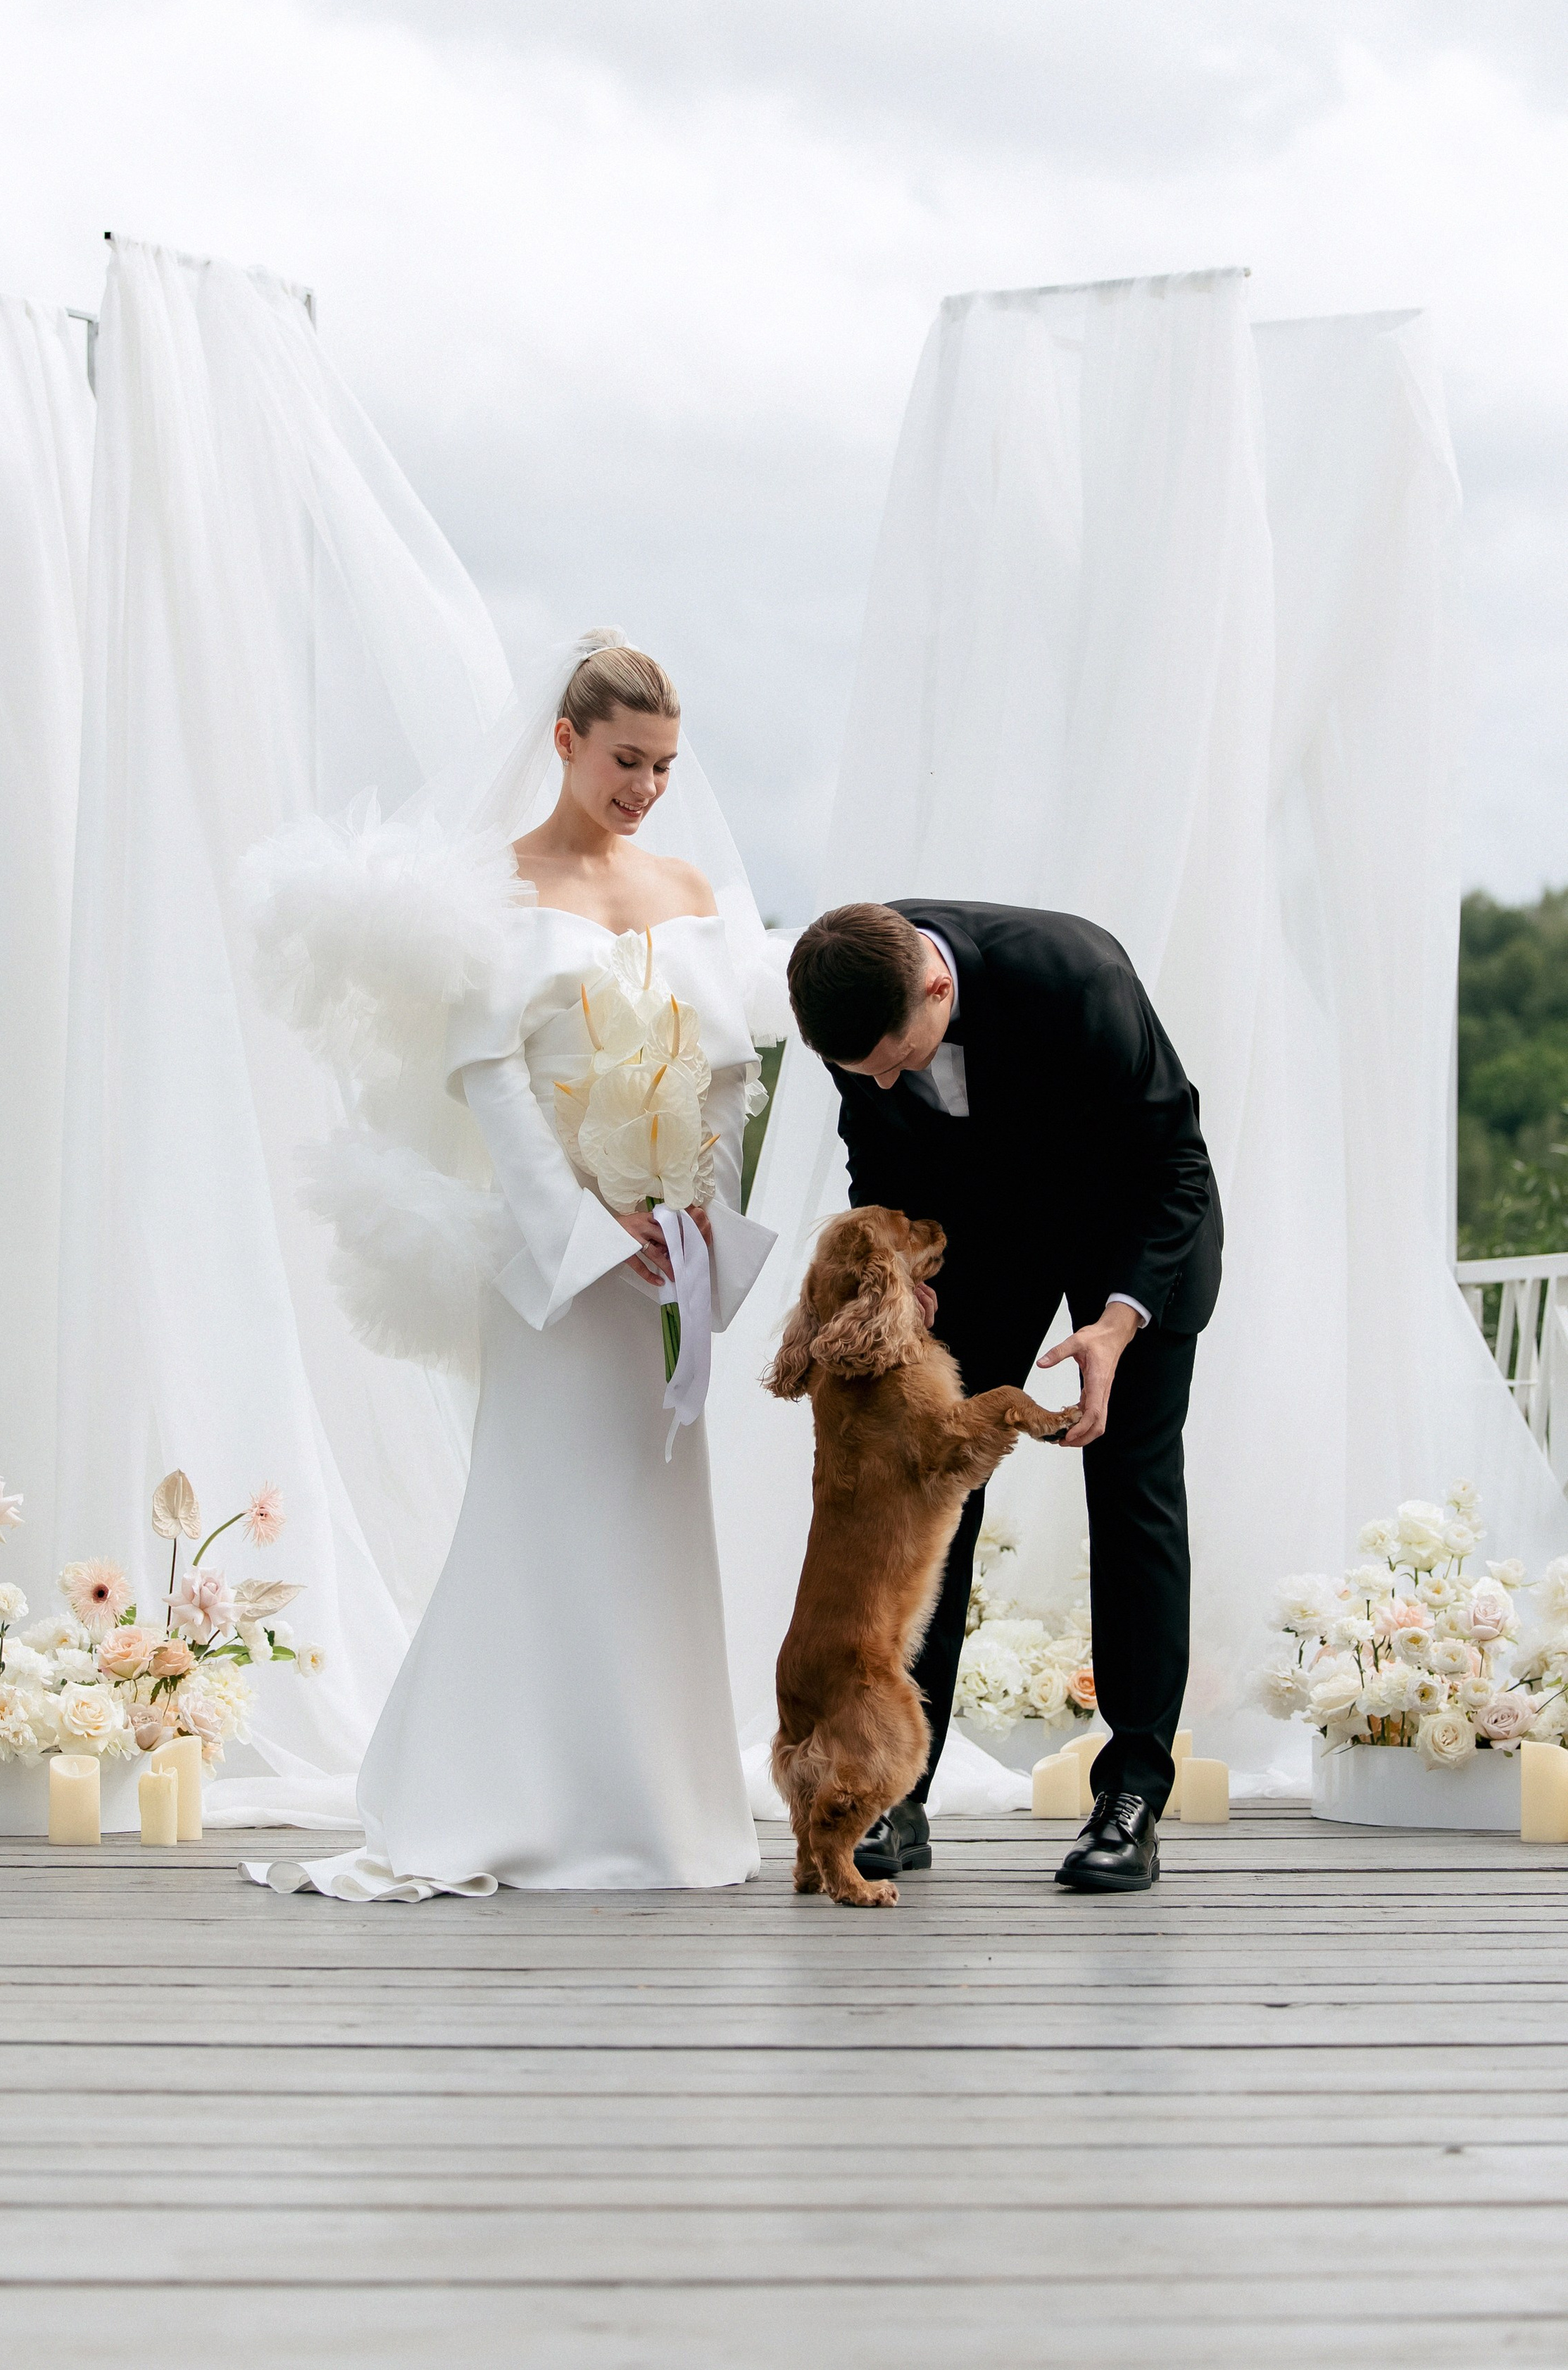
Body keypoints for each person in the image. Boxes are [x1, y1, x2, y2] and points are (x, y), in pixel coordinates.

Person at [247, 637, 779, 1900]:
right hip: (557, 1262)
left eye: (662, 765)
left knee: (653, 1512)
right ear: (564, 740)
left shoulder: (692, 884)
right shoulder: (497, 888)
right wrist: (592, 1237)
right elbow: (488, 1078)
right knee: (538, 1500)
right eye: (623, 760)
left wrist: (692, 1220)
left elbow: (733, 1070)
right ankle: (502, 1788)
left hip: (670, 1259)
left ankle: (658, 1805)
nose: (646, 785)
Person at [785, 899, 1222, 1894]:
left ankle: (1133, 1795)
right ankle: (900, 1791)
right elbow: (878, 1156)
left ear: (937, 987)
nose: (887, 1080)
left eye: (898, 1059)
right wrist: (907, 1269)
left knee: (1133, 1481)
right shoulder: (847, 997)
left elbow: (1177, 1166)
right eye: (868, 1072)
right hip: (978, 1234)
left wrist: (1118, 1323)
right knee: (932, 1478)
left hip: (1132, 1226)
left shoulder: (1078, 979)